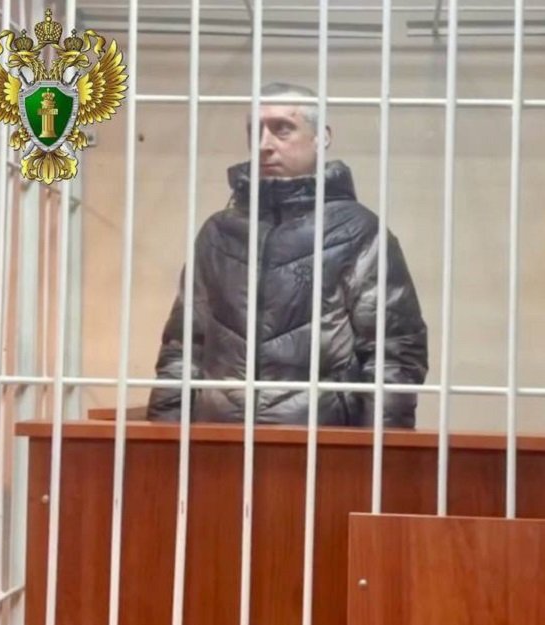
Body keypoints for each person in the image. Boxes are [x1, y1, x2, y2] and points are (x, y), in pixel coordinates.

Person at [147, 82, 428, 427]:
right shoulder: (218, 234)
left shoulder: (358, 232)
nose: (264, 145)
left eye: (282, 129)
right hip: (219, 442)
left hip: (321, 444)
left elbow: (394, 355)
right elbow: (182, 348)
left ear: (321, 137)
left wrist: (379, 450)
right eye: (255, 131)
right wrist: (163, 441)